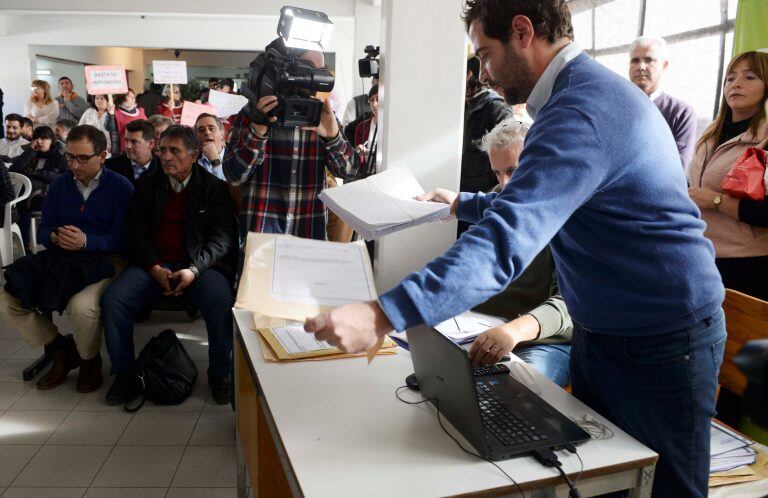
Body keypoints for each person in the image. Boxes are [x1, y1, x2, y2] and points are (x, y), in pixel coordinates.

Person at [304, 2, 726, 497]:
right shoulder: (573, 100)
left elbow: (510, 235)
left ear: (523, 32)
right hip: (606, 332)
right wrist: (462, 203)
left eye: (485, 54)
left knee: (665, 489)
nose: (483, 73)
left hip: (663, 339)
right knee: (608, 481)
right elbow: (540, 198)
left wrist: (384, 313)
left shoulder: (582, 109)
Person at [101, 125, 238, 405]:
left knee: (220, 299)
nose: (165, 156)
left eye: (174, 151)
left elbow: (222, 240)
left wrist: (193, 270)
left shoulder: (214, 189)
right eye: (162, 149)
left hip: (200, 267)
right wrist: (154, 267)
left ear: (193, 155)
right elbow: (134, 234)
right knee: (114, 300)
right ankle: (125, 374)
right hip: (153, 266)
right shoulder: (146, 186)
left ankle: (220, 373)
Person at [0, 125, 133, 392]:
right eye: (71, 157)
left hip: (107, 259)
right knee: (8, 297)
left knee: (82, 307)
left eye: (83, 158)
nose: (75, 165)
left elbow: (127, 240)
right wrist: (55, 238)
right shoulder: (61, 183)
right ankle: (60, 348)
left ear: (102, 156)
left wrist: (88, 241)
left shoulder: (121, 187)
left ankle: (89, 360)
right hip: (62, 257)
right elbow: (44, 229)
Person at [223, 40, 376, 240]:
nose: (318, 76)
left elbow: (349, 170)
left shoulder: (322, 115)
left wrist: (333, 137)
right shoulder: (253, 114)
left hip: (309, 237)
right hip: (262, 239)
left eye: (322, 69)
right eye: (310, 68)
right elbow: (234, 176)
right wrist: (257, 132)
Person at [468, 118, 571, 387]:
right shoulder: (497, 204)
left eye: (513, 171)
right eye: (498, 173)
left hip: (542, 340)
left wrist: (512, 331)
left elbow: (569, 304)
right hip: (482, 328)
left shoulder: (568, 217)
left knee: (517, 391)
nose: (504, 184)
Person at [687, 51, 768, 300]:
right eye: (730, 78)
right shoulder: (708, 137)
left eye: (750, 77)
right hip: (700, 257)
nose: (736, 83)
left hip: (748, 266)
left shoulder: (764, 141)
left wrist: (715, 201)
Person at [629, 36, 697, 168]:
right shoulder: (615, 106)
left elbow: (677, 167)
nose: (641, 66)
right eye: (635, 60)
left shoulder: (682, 113)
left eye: (649, 60)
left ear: (664, 65)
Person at [10, 125, 68, 249]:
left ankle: (26, 245)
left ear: (51, 140)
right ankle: (25, 246)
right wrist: (30, 151)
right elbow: (13, 171)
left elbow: (63, 178)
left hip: (52, 196)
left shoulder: (60, 154)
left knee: (22, 204)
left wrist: (34, 173)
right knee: (22, 204)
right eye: (36, 138)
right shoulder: (32, 153)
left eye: (44, 138)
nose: (39, 141)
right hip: (29, 197)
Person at [105, 119, 160, 185]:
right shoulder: (109, 166)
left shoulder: (163, 169)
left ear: (151, 144)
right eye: (126, 140)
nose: (128, 146)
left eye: (134, 142)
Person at [107, 89, 147, 154]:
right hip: (126, 149)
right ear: (121, 97)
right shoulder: (116, 112)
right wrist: (110, 115)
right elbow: (111, 129)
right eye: (129, 95)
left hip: (142, 147)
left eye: (133, 96)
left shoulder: (140, 111)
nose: (132, 98)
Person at [195, 113, 227, 181]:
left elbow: (233, 190)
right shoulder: (191, 162)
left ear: (221, 133)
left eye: (211, 128)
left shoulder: (236, 158)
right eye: (201, 130)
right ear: (196, 137)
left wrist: (215, 161)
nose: (207, 132)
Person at [353, 84, 379, 165]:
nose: (374, 104)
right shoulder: (361, 127)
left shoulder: (393, 127)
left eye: (378, 99)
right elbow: (358, 159)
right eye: (371, 100)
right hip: (368, 175)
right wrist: (358, 151)